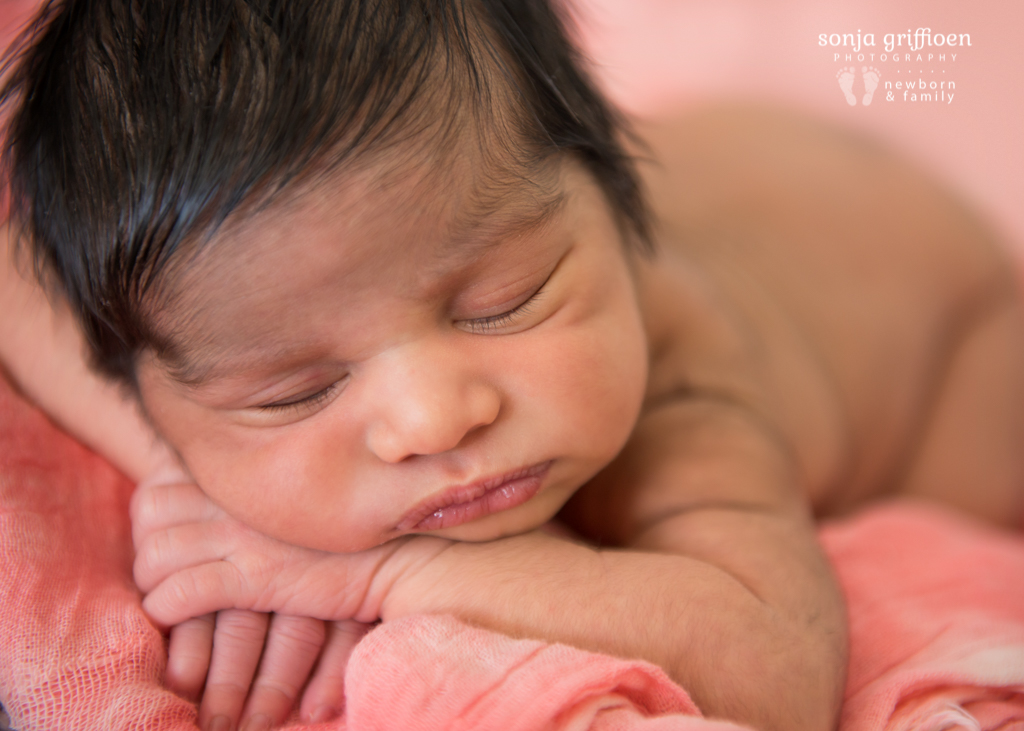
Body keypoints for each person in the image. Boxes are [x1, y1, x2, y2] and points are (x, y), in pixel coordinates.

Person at [2, 2, 1023, 731]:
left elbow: (777, 665)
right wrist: (188, 471)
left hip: (953, 321)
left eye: (505, 303)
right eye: (294, 389)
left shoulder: (683, 388)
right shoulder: (318, 272)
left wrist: (386, 571)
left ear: (615, 223)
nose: (434, 416)